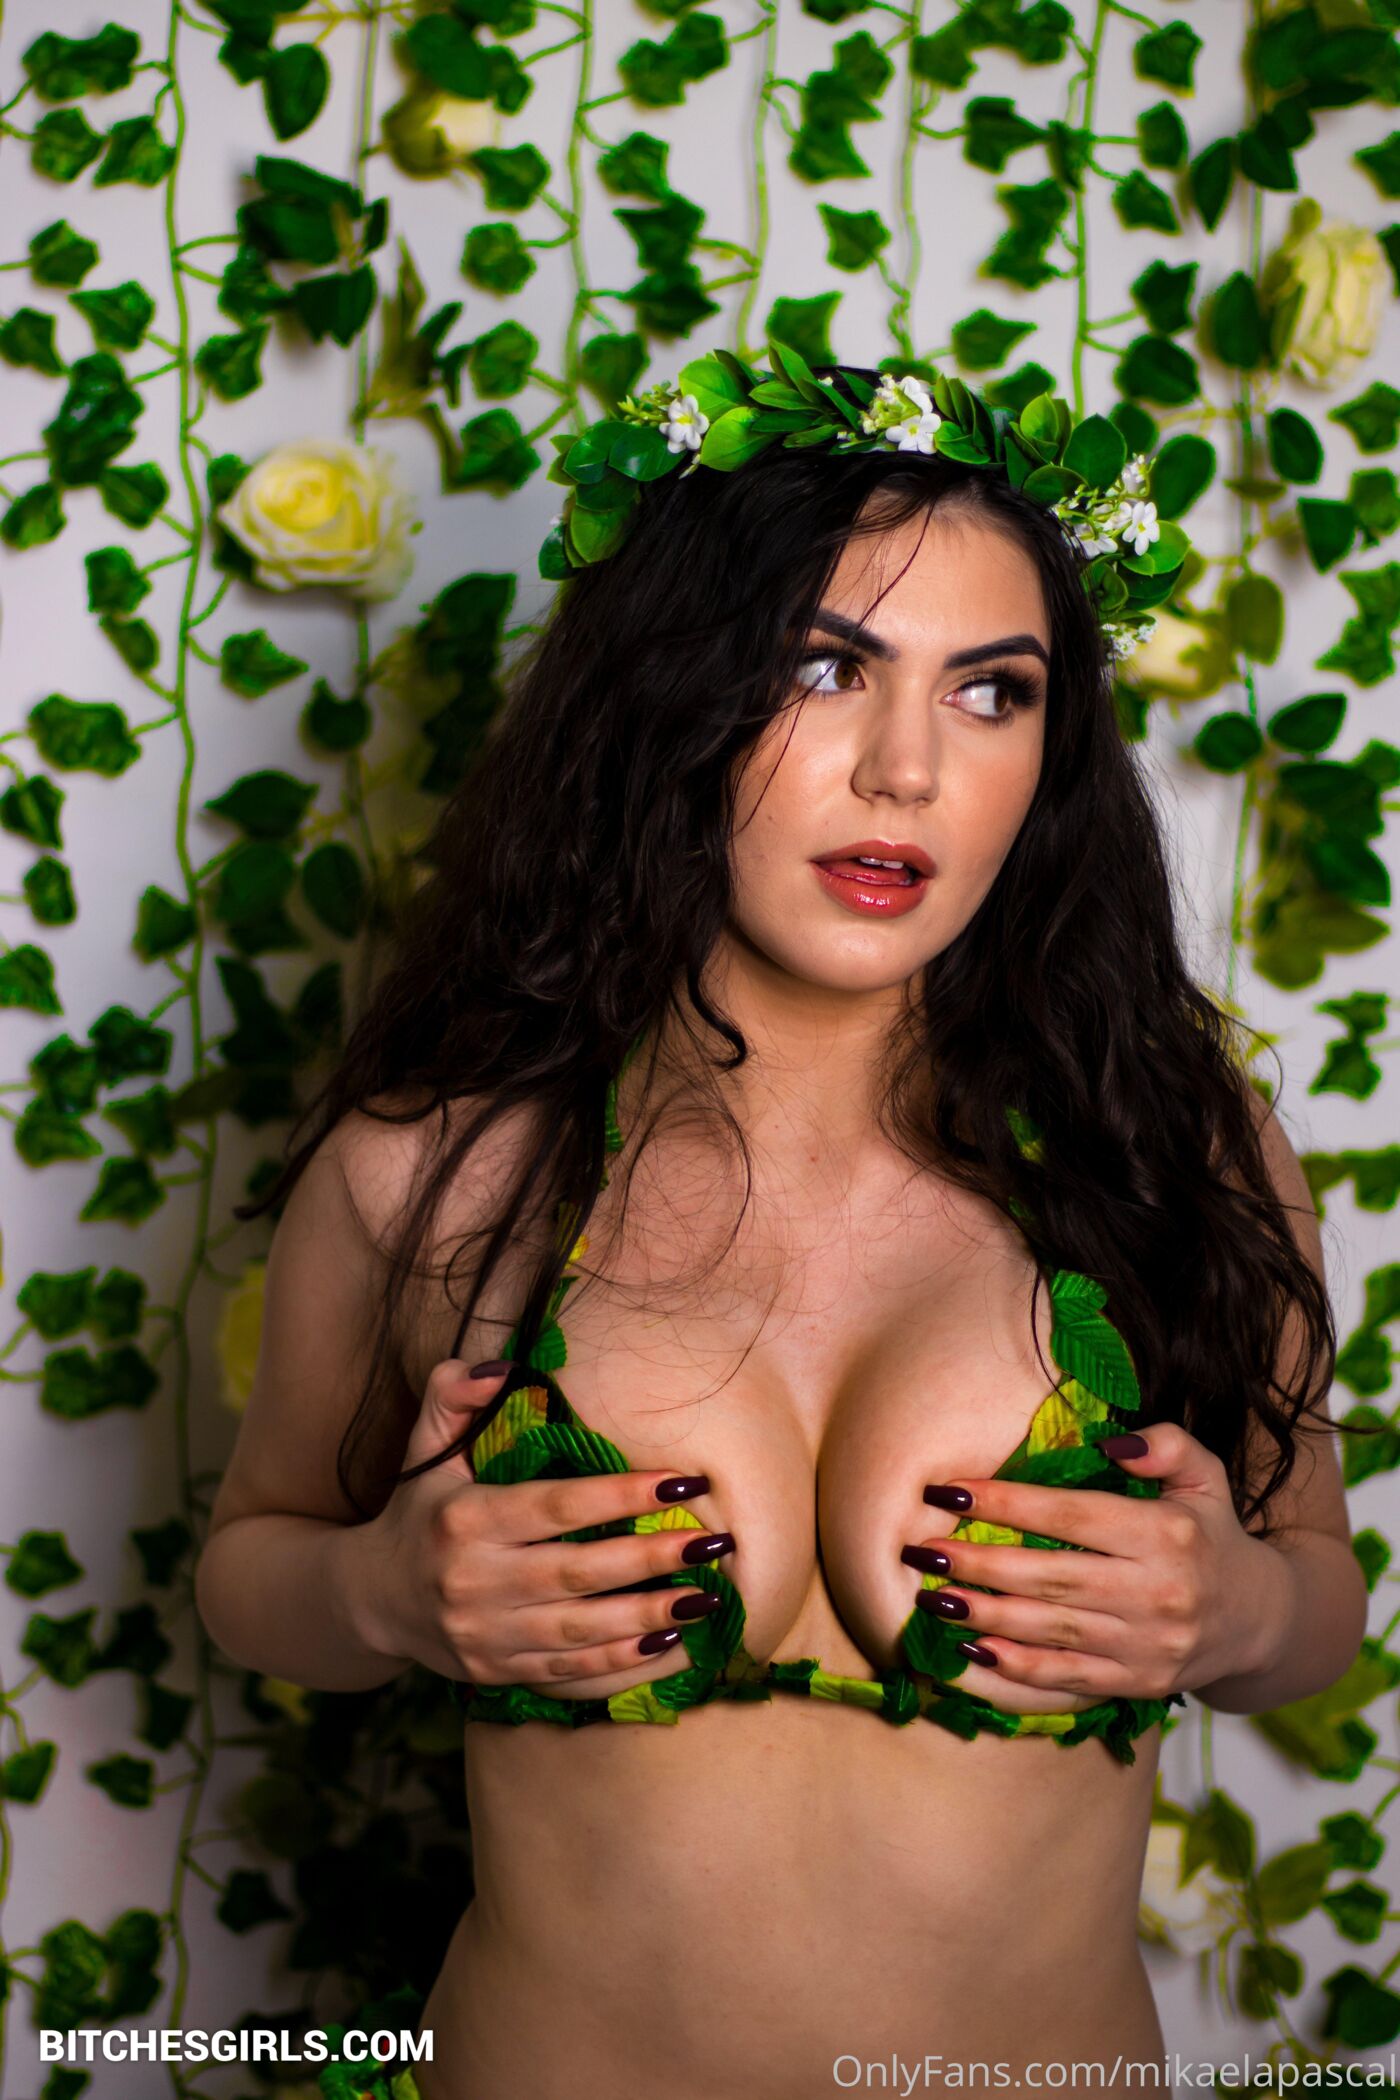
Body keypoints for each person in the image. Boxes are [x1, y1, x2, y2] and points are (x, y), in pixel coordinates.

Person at [195, 353, 1369, 2100]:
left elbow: (1318, 1596)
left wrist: (1236, 1616)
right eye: (826, 668)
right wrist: (381, 1590)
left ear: (1051, 754)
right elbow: (250, 1574)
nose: (908, 771)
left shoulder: (1165, 1149)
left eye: (993, 692)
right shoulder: (439, 1168)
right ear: (672, 696)